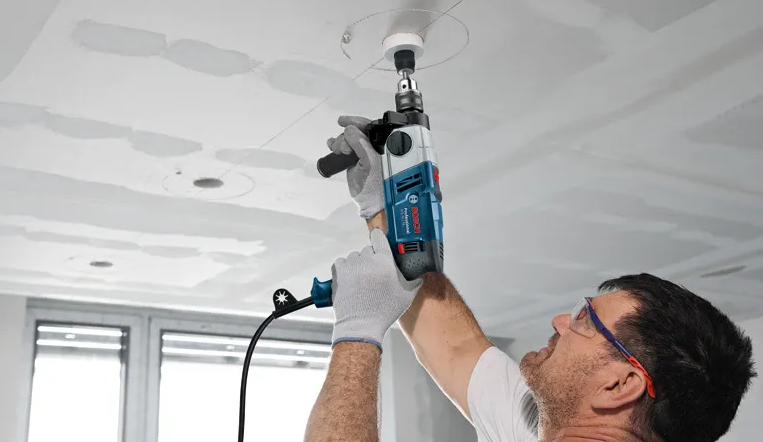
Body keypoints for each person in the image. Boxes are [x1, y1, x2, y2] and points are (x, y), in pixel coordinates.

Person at [304, 116, 757, 442]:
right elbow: (456, 347)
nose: (560, 321)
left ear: (620, 385)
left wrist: (357, 334)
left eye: (585, 321)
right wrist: (386, 208)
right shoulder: (539, 425)